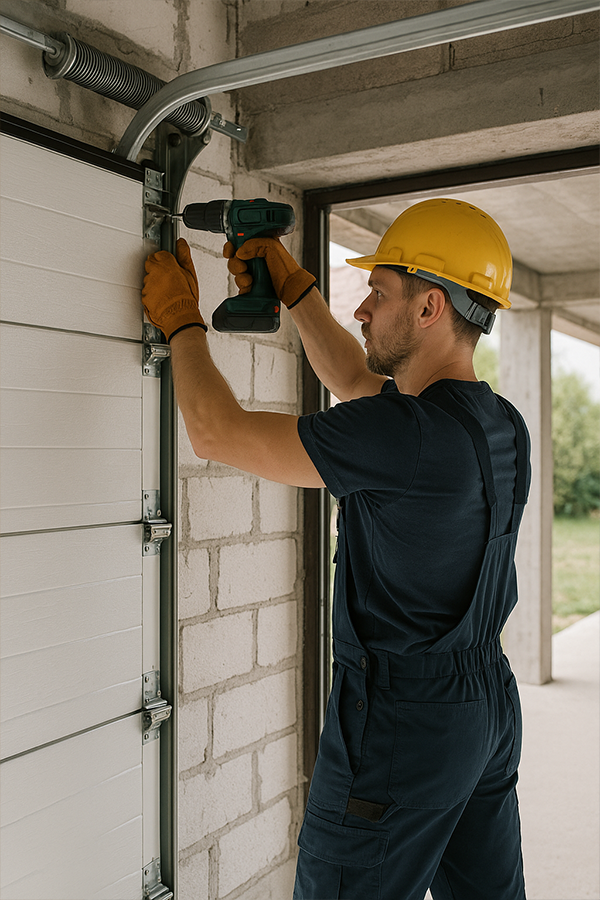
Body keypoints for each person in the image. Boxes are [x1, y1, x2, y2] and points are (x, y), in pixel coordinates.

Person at [142, 197, 531, 900]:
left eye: (377, 296)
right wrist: (294, 288)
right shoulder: (500, 424)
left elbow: (215, 432)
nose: (362, 312)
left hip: (400, 726)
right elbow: (356, 382)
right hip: (484, 711)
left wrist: (180, 321)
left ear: (429, 309)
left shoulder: (401, 435)